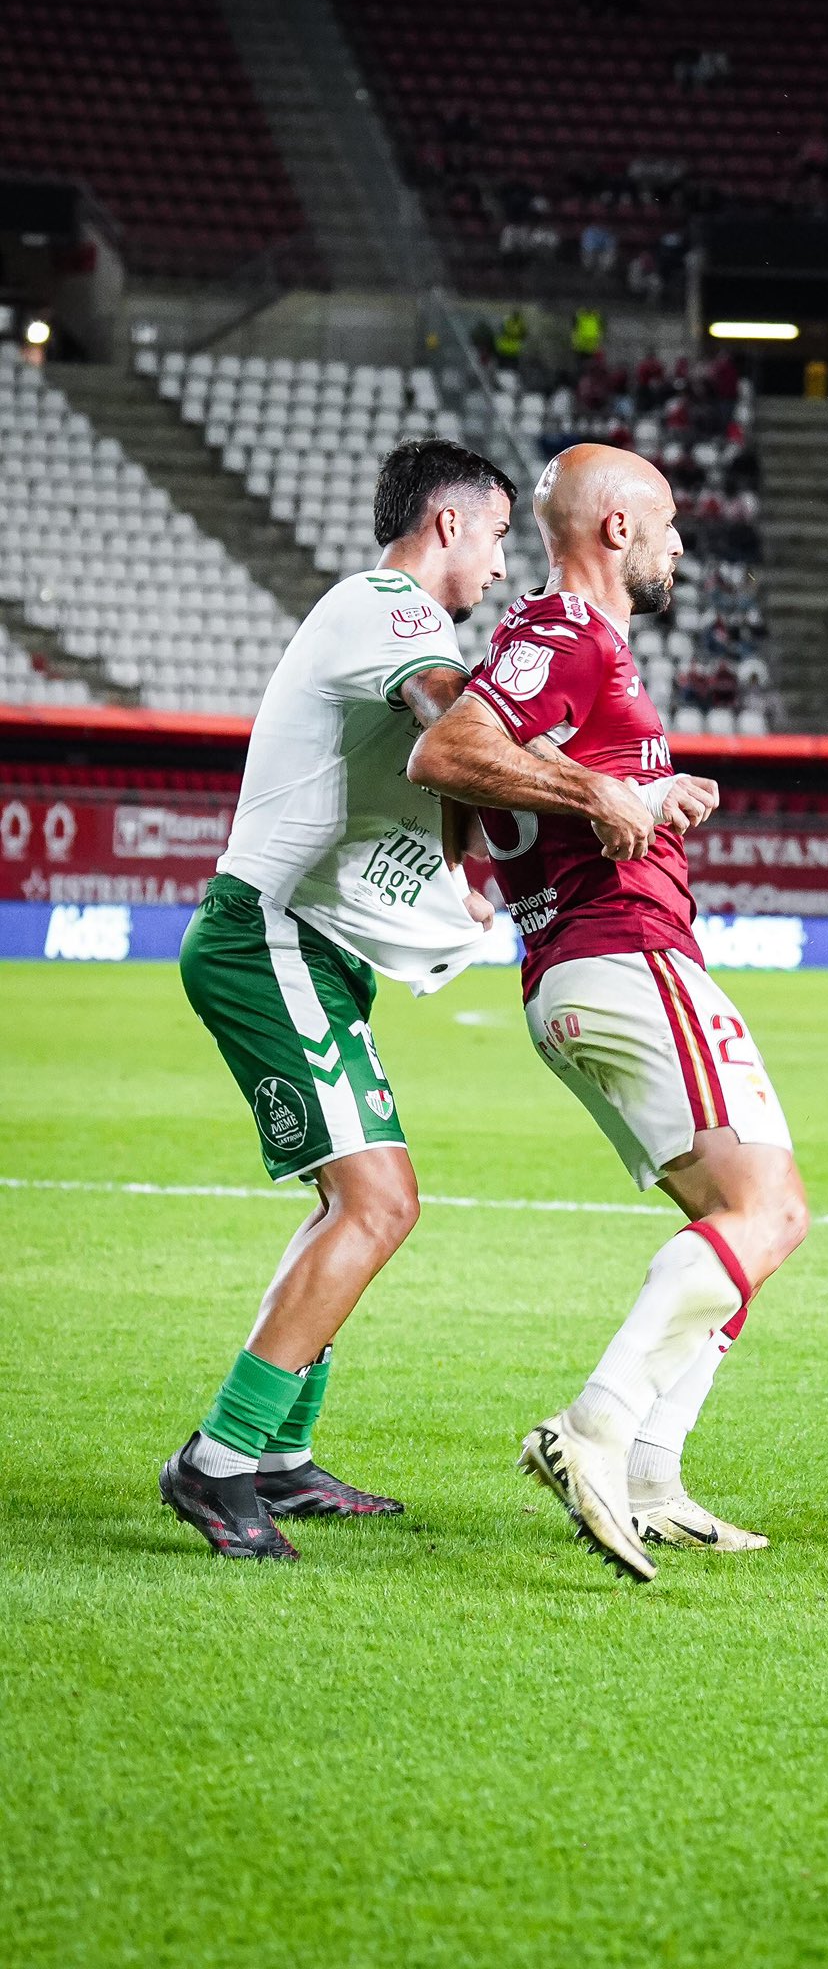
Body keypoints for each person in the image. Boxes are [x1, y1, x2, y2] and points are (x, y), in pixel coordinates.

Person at [408, 443, 808, 1584]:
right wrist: (601, 790)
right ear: (618, 528)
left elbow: (512, 767)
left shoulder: (568, 649)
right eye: (670, 519)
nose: (682, 540)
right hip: (622, 954)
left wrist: (649, 791)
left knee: (749, 1226)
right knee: (765, 1211)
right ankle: (596, 1422)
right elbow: (449, 751)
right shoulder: (564, 635)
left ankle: (650, 1470)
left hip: (591, 963)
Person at [159, 440, 521, 1562]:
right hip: (266, 934)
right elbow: (448, 717)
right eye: (501, 535)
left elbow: (445, 759)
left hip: (308, 948)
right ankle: (218, 1464)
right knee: (377, 1203)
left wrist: (466, 867)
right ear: (449, 524)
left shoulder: (395, 619)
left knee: (356, 1203)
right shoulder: (387, 604)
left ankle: (276, 1454)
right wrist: (572, 772)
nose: (504, 564)